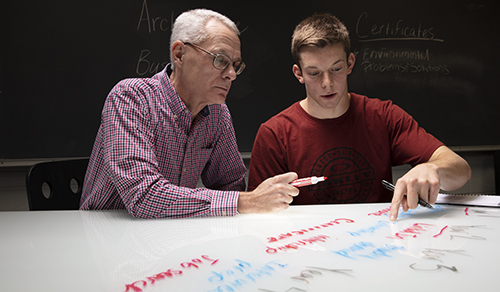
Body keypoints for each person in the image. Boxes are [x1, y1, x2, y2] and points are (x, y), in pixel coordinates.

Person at [247, 13, 471, 221]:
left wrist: (433, 169)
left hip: (378, 241)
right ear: (299, 74)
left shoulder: (383, 116)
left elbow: (461, 170)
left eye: (336, 69)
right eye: (314, 73)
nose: (327, 83)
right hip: (309, 248)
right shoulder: (275, 134)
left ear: (350, 64)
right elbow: (258, 213)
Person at [80, 9, 299, 218]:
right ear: (179, 54)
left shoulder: (217, 113)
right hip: (106, 236)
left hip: (171, 233)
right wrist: (247, 202)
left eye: (236, 65)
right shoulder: (131, 98)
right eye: (220, 60)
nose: (231, 74)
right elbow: (143, 196)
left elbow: (230, 185)